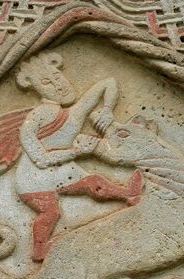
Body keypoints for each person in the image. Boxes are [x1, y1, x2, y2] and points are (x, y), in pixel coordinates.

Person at [13, 52, 143, 262]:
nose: (59, 85)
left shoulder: (74, 114)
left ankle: (129, 194)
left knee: (94, 183)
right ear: (35, 87)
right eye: (47, 82)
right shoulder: (35, 119)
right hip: (32, 177)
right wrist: (76, 152)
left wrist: (108, 110)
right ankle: (39, 250)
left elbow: (108, 83)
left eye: (58, 77)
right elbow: (41, 159)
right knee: (51, 212)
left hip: (60, 170)